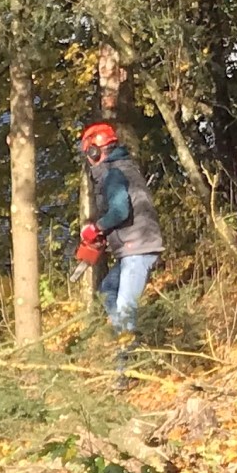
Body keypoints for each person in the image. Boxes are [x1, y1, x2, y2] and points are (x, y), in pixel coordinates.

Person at [76, 122, 164, 339]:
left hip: (138, 248)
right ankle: (129, 339)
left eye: (88, 152)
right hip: (133, 247)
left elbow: (120, 211)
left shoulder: (114, 174)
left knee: (125, 307)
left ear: (95, 150)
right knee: (107, 290)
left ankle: (126, 364)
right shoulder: (124, 168)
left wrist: (96, 228)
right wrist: (103, 235)